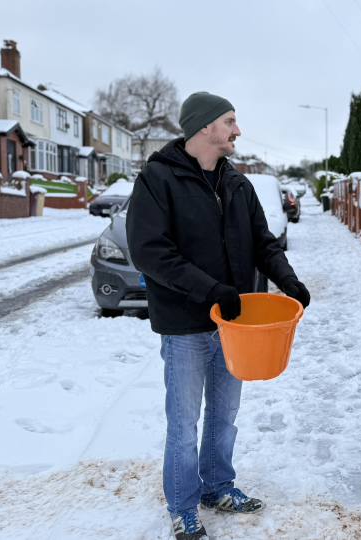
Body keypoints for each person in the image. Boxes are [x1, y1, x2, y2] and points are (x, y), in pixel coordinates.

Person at [126, 91, 311, 540]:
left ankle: (218, 487)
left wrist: (288, 281)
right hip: (186, 325)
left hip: (236, 327)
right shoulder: (157, 179)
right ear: (205, 126)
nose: (237, 130)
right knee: (184, 421)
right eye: (230, 121)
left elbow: (264, 243)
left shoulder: (238, 184)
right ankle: (184, 506)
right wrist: (211, 290)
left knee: (224, 417)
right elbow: (150, 253)